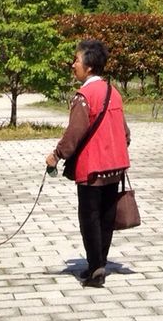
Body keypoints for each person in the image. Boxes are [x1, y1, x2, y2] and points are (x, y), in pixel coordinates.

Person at [46, 38, 130, 287]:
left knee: (89, 217)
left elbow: (75, 132)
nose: (73, 65)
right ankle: (99, 263)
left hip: (92, 168)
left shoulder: (84, 95)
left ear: (89, 66)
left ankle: (95, 269)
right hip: (115, 168)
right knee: (106, 217)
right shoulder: (113, 92)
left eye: (76, 60)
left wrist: (57, 154)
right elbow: (125, 133)